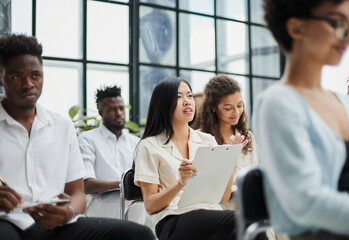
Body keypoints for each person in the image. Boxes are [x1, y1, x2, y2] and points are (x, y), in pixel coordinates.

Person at [0, 33, 154, 240]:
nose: (28, 84)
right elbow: (91, 185)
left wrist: (68, 212)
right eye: (17, 76)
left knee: (138, 234)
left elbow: (77, 194)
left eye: (35, 75)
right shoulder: (90, 139)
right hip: (8, 222)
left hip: (58, 225)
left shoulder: (62, 126)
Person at [253, 0, 349, 239]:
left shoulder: (344, 103)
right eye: (337, 23)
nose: (348, 37)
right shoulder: (278, 103)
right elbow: (306, 203)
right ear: (296, 28)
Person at [134, 76, 247, 240]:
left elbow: (222, 197)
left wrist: (230, 155)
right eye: (178, 97)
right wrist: (180, 183)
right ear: (164, 104)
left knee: (250, 223)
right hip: (173, 218)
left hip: (211, 213)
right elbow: (151, 206)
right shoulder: (149, 146)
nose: (187, 101)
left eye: (189, 95)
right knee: (239, 221)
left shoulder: (207, 140)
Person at [78, 85, 153, 229]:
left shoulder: (135, 142)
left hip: (132, 201)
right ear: (101, 112)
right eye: (112, 109)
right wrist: (125, 185)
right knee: (139, 208)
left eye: (121, 108)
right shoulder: (87, 139)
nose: (118, 113)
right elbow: (87, 185)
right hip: (99, 202)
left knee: (159, 211)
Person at [198, 74, 258, 210]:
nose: (236, 112)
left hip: (247, 199)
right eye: (228, 108)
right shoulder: (200, 138)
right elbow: (206, 186)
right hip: (219, 206)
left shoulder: (247, 136)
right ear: (213, 107)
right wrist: (228, 153)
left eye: (239, 105)